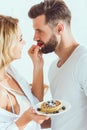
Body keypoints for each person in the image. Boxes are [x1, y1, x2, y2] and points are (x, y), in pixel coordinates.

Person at [28, 0, 87, 130]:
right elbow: (62, 117)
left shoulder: (83, 61)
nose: (35, 37)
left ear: (59, 28)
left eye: (39, 31)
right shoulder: (54, 68)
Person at [0, 15, 49, 130]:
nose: (25, 42)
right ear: (6, 44)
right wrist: (26, 118)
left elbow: (35, 102)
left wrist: (38, 66)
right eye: (20, 39)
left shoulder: (10, 71)